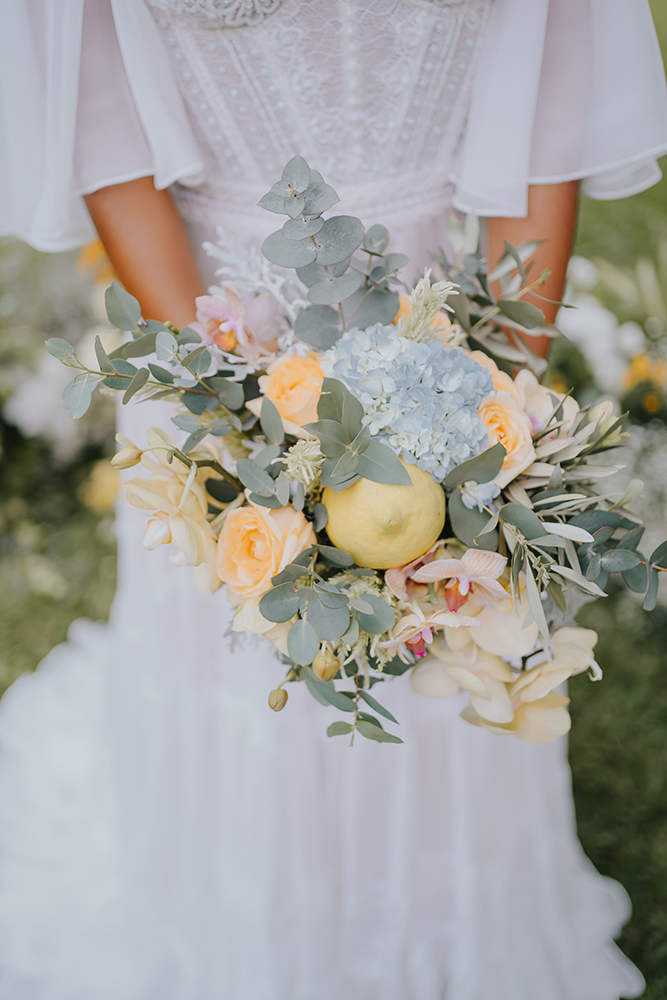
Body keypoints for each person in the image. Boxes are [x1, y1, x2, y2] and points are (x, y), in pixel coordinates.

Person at [0, 1, 666, 997]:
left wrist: (488, 441)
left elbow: (547, 110)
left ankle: (443, 931)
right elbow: (107, 126)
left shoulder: (472, 407)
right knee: (242, 676)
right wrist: (239, 426)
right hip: (214, 355)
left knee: (451, 660)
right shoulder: (222, 408)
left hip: (453, 362)